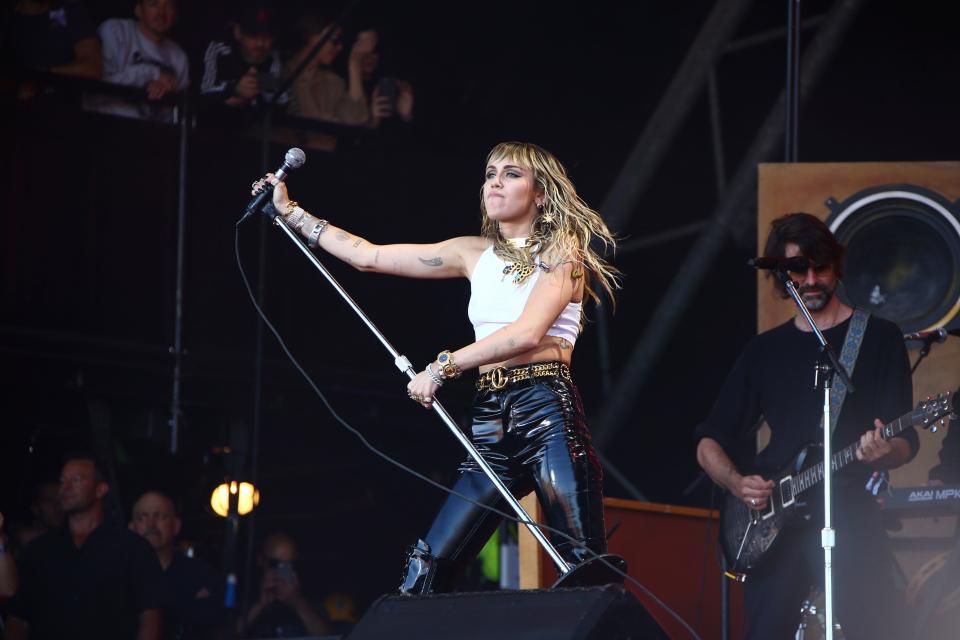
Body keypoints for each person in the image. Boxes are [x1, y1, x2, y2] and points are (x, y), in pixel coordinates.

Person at [253, 141, 620, 593]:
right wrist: (290, 211)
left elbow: (527, 334)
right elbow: (369, 256)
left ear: (540, 193)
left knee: (584, 565)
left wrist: (444, 365)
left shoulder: (563, 251)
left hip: (544, 410)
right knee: (426, 570)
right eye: (489, 174)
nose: (495, 183)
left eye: (511, 174)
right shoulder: (472, 252)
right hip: (490, 422)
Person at [694, 212, 918, 639]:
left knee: (878, 627)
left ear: (837, 266)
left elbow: (905, 440)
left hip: (849, 508)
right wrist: (738, 484)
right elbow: (709, 439)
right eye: (799, 269)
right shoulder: (765, 351)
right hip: (772, 521)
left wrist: (887, 451)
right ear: (782, 276)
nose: (812, 279)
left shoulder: (879, 337)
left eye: (821, 267)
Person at [5, 454, 163, 640]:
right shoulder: (39, 551)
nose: (66, 488)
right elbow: (18, 617)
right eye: (62, 481)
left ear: (100, 489)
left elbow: (150, 615)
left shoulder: (132, 549)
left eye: (77, 479)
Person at [129, 490, 222, 640]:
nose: (151, 524)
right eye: (143, 517)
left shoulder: (199, 573)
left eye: (161, 517)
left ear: (176, 526)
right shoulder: (118, 574)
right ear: (131, 528)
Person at [92, 0, 190, 122]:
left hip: (156, 135)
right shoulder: (116, 31)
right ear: (138, 9)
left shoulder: (178, 56)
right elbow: (94, 93)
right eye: (153, 4)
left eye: (169, 6)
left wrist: (164, 93)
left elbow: (182, 114)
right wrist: (150, 75)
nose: (161, 13)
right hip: (108, 127)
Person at [199, 1, 286, 124]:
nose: (261, 43)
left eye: (267, 36)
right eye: (253, 35)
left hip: (255, 133)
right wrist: (233, 89)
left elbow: (280, 102)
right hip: (214, 128)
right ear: (238, 32)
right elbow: (203, 92)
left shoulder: (272, 58)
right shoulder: (219, 49)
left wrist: (259, 86)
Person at [285, 15, 374, 126]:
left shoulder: (333, 83)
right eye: (335, 40)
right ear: (314, 37)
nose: (339, 47)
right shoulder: (282, 71)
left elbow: (356, 120)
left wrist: (354, 63)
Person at [238, 533, 331, 638]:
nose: (281, 571)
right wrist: (259, 605)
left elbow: (327, 636)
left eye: (288, 565)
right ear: (261, 560)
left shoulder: (311, 597)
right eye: (275, 564)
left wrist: (298, 602)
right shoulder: (243, 594)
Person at [10, 0, 102, 80]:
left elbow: (93, 68)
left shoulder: (71, 11)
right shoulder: (6, 17)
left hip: (63, 94)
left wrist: (43, 73)